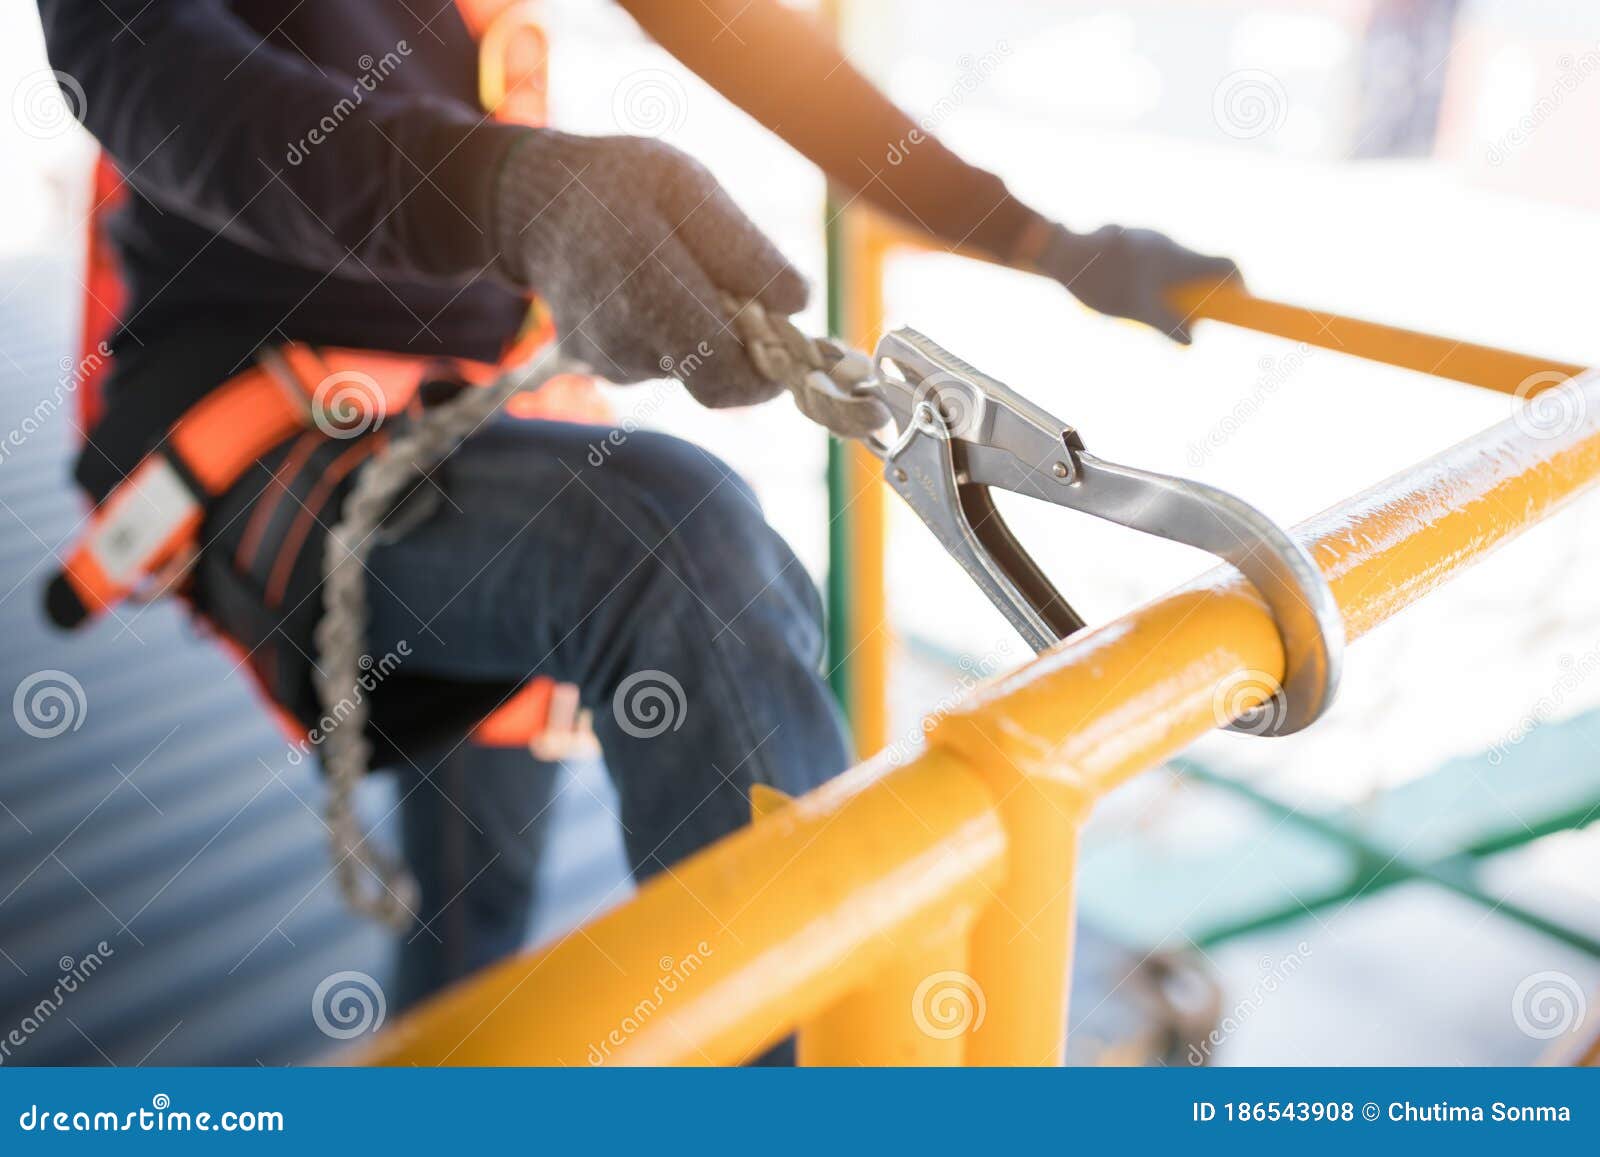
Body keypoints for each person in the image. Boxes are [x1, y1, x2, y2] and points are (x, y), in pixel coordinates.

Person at [35, 0, 1239, 1030]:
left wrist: (1026, 234)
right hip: (264, 416)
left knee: (474, 911)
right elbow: (152, 70)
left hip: (476, 424)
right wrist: (512, 195)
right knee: (668, 546)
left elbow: (750, 41)